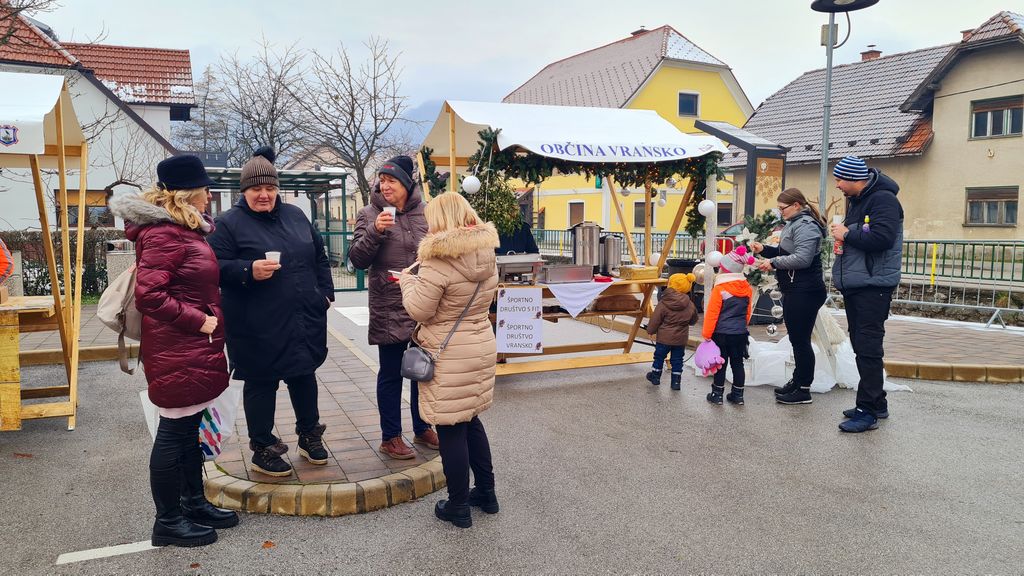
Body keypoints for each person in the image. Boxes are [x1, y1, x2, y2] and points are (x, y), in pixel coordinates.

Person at [109, 155, 238, 548]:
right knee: (173, 432)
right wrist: (199, 321)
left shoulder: (183, 230)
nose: (210, 196)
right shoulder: (165, 234)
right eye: (205, 189)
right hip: (179, 347)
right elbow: (150, 295)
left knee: (187, 431)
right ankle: (167, 521)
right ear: (189, 192)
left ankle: (193, 503)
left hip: (190, 348)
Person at [208, 147, 335, 476]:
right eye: (256, 189)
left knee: (303, 376)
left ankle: (309, 435)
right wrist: (247, 269)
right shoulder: (228, 224)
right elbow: (213, 267)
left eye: (270, 188)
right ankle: (263, 447)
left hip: (303, 316)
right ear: (244, 191)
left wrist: (325, 294)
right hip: (256, 322)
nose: (264, 195)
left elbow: (319, 256)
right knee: (262, 383)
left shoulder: (295, 215)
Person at [399, 192, 500, 529]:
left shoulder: (437, 261)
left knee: (450, 428)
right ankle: (486, 493)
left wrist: (407, 282)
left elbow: (420, 310)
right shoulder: (486, 253)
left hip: (449, 352)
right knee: (470, 419)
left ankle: (458, 505)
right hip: (480, 345)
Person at [349, 155, 439, 460]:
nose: (385, 186)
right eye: (382, 180)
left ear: (406, 184)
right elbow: (357, 259)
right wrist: (375, 230)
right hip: (389, 304)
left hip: (423, 303)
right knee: (391, 373)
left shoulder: (426, 212)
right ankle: (390, 437)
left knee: (422, 370)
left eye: (392, 181)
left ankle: (422, 426)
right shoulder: (369, 213)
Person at [829, 156, 903, 433]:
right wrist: (844, 238)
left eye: (839, 179)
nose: (837, 185)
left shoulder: (883, 200)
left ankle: (867, 411)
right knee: (861, 345)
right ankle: (878, 402)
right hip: (858, 283)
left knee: (869, 347)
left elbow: (882, 239)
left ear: (853, 178)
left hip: (873, 285)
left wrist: (847, 234)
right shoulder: (858, 201)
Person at [751, 188, 828, 405]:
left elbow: (802, 259)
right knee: (796, 339)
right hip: (796, 288)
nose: (780, 212)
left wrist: (773, 263)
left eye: (782, 208)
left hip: (805, 290)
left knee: (801, 340)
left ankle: (803, 389)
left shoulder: (806, 225)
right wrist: (764, 249)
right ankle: (798, 380)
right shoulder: (795, 223)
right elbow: (785, 251)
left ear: (796, 205)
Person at [702, 246, 755, 405]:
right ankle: (738, 395)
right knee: (738, 364)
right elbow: (747, 312)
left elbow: (712, 314)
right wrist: (742, 327)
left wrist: (707, 334)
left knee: (720, 363)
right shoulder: (747, 288)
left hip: (721, 334)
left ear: (724, 269)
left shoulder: (720, 288)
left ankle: (717, 394)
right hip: (739, 333)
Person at [645, 272, 699, 390]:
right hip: (681, 339)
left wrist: (650, 330)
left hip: (664, 338)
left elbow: (656, 319)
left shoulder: (664, 302)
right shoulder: (690, 304)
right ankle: (676, 382)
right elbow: (693, 320)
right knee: (678, 359)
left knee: (659, 357)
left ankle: (655, 376)